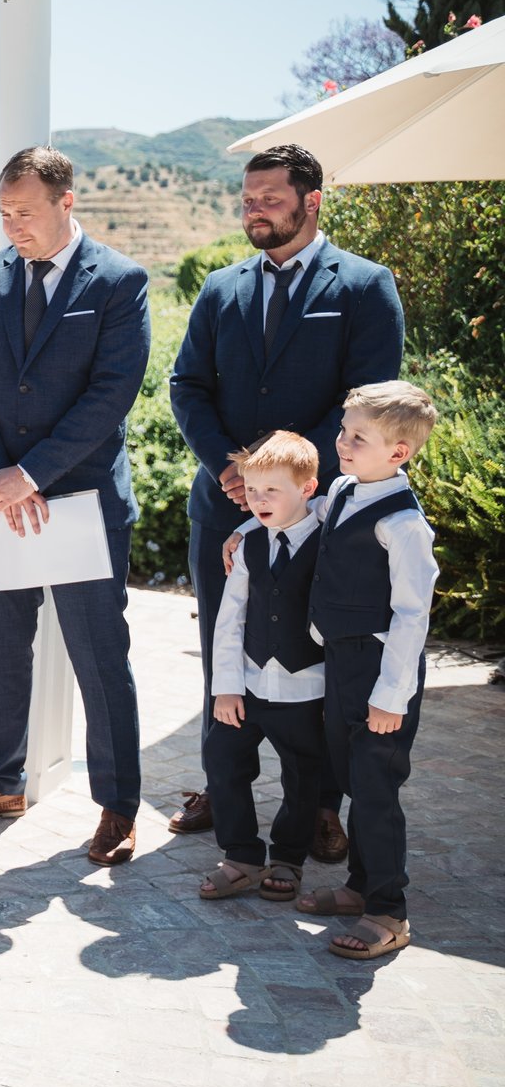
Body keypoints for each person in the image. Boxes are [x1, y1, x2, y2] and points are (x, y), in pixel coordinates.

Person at [168, 143, 404, 855]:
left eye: (271, 198)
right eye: (248, 199)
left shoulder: (365, 286)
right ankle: (225, 783)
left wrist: (282, 475)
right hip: (224, 505)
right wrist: (228, 468)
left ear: (312, 201)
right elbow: (188, 386)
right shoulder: (221, 288)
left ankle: (321, 806)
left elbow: (365, 403)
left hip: (318, 515)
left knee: (318, 658)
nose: (256, 211)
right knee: (226, 651)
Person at [0, 146, 150, 868]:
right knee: (0, 647)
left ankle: (118, 806)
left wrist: (33, 473)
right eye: (4, 212)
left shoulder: (120, 281)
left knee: (99, 656)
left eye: (25, 212)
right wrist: (0, 475)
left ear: (66, 200)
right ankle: (0, 781)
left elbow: (110, 396)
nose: (12, 225)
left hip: (81, 501)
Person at [239, 383, 436, 960]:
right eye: (344, 430)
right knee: (350, 781)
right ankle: (357, 887)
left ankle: (389, 911)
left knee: (376, 792)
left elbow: (411, 614)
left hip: (379, 671)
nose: (341, 443)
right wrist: (245, 530)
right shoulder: (347, 490)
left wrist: (391, 697)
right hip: (340, 667)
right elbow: (301, 516)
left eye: (357, 437)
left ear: (398, 453)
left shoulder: (403, 525)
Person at [197, 432, 328, 904]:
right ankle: (241, 855)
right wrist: (226, 688)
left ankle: (289, 858)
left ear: (307, 489)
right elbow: (228, 621)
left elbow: (344, 502)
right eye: (252, 490)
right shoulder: (249, 544)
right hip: (249, 685)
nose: (258, 500)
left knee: (303, 774)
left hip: (306, 686)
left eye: (272, 490)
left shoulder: (328, 532)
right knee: (223, 760)